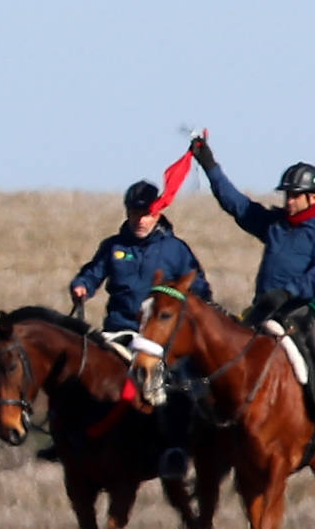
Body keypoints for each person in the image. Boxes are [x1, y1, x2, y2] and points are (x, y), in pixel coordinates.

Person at [189, 136, 315, 451]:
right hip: (266, 311)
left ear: (313, 197)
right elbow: (236, 204)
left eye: (294, 195)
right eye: (286, 195)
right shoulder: (275, 225)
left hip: (307, 311)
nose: (288, 201)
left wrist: (287, 292)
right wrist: (209, 164)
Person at [65, 180, 213, 478]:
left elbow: (199, 289)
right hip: (117, 331)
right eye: (134, 213)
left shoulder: (175, 249)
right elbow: (92, 273)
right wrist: (81, 285)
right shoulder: (113, 246)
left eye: (145, 213)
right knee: (79, 375)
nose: (139, 219)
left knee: (171, 387)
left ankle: (174, 449)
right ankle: (69, 441)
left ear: (157, 212)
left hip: (158, 339)